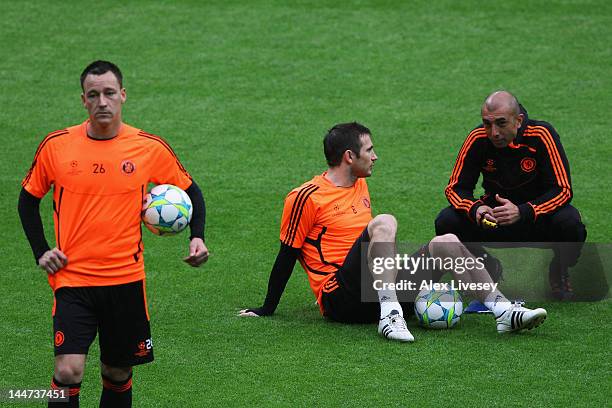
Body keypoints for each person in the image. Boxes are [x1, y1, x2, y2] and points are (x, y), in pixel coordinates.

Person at [239, 122, 547, 341]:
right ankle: (390, 315)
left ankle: (503, 311)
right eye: (369, 150)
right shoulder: (306, 196)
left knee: (447, 242)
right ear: (349, 156)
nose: (375, 156)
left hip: (373, 286)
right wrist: (266, 309)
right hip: (339, 297)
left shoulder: (360, 185)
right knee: (384, 221)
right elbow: (286, 254)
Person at [17, 60, 209, 408]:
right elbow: (28, 200)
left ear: (122, 95)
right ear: (83, 101)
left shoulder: (148, 147)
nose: (102, 101)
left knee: (117, 372)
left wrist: (197, 237)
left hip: (125, 279)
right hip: (72, 278)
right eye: (94, 95)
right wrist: (41, 251)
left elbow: (191, 191)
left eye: (108, 93)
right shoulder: (57, 146)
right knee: (68, 370)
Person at [435, 91, 587, 302]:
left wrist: (523, 211)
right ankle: (486, 267)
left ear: (518, 121)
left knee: (570, 223)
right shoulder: (477, 138)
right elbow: (455, 188)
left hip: (537, 221)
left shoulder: (542, 134)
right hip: (494, 221)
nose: (493, 132)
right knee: (446, 221)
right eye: (487, 124)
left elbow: (562, 190)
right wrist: (476, 209)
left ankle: (560, 269)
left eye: (501, 123)